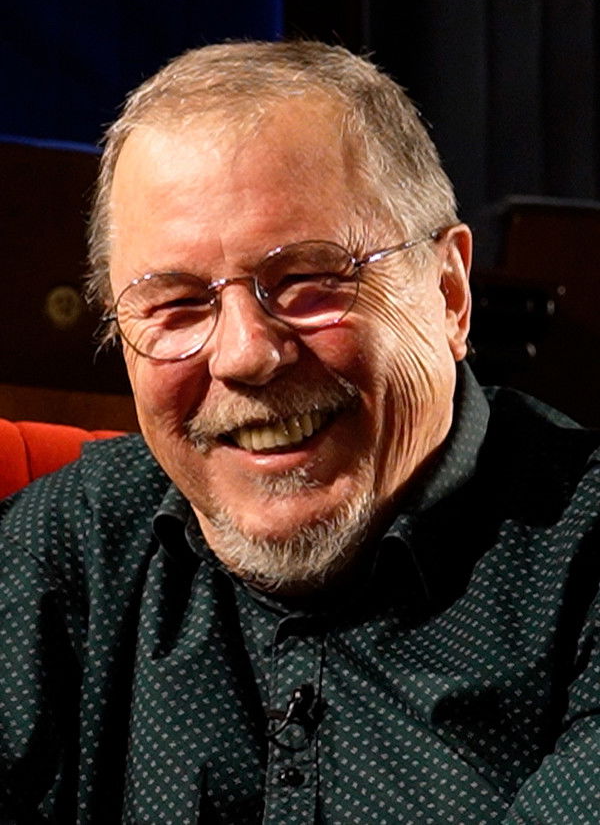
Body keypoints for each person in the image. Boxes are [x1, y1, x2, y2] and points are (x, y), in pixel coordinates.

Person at [1, 41, 599, 825]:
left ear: (449, 294)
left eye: (309, 281)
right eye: (177, 305)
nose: (245, 355)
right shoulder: (55, 558)